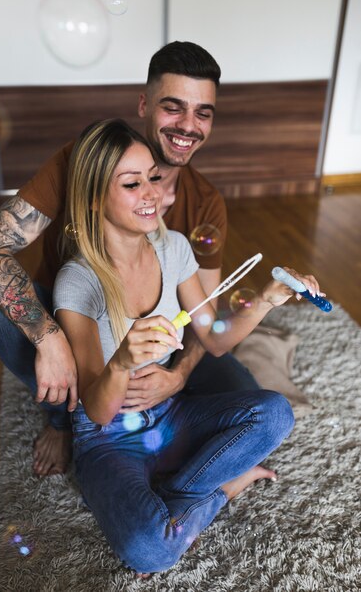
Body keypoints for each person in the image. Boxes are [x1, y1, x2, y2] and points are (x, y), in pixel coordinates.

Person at [0, 42, 258, 476]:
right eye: (173, 108)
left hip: (158, 348)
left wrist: (177, 377)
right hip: (77, 317)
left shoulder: (205, 203)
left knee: (249, 397)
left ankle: (167, 423)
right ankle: (64, 417)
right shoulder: (82, 161)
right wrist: (50, 338)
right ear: (144, 104)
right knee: (0, 315)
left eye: (203, 113)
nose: (187, 126)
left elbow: (203, 315)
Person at [51, 118, 313, 575]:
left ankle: (175, 498)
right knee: (148, 550)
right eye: (132, 183)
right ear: (94, 199)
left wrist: (267, 301)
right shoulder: (78, 282)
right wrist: (121, 363)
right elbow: (95, 411)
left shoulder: (173, 248)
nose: (152, 192)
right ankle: (222, 489)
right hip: (108, 438)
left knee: (276, 413)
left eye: (153, 176)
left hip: (169, 414)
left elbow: (212, 338)